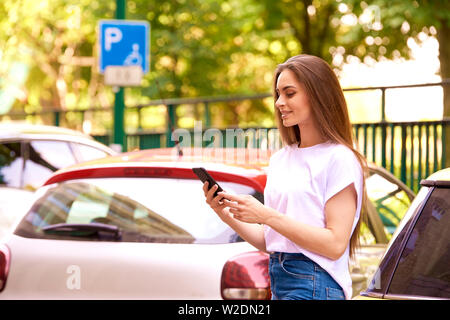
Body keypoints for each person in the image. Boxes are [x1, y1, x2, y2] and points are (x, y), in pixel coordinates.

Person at [202, 54, 367, 300]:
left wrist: (266, 215)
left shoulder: (339, 158)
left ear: (318, 94)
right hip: (279, 280)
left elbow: (334, 244)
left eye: (289, 93)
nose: (279, 102)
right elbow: (270, 243)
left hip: (316, 283)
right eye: (278, 94)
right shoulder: (281, 159)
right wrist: (224, 213)